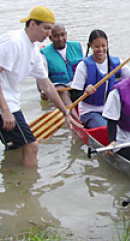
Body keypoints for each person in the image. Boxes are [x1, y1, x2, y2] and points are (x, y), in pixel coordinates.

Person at [0, 6, 78, 167]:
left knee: (16, 148)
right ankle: (29, 189)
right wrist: (5, 111)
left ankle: (15, 185)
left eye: (50, 29)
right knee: (31, 146)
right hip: (5, 105)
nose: (49, 34)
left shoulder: (33, 51)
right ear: (32, 24)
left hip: (11, 102)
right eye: (46, 28)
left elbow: (47, 85)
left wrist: (65, 112)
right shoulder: (13, 42)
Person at [71, 29, 130, 128]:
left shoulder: (117, 63)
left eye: (103, 46)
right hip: (90, 111)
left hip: (111, 108)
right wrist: (85, 92)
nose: (101, 50)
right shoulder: (83, 66)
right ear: (90, 46)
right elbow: (74, 95)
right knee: (107, 129)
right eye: (97, 46)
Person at [37, 23, 84, 105]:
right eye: (56, 36)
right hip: (61, 90)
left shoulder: (78, 47)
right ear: (50, 38)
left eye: (62, 35)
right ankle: (70, 115)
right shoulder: (44, 54)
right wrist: (42, 91)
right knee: (62, 92)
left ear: (66, 34)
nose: (60, 39)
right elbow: (40, 80)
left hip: (78, 85)